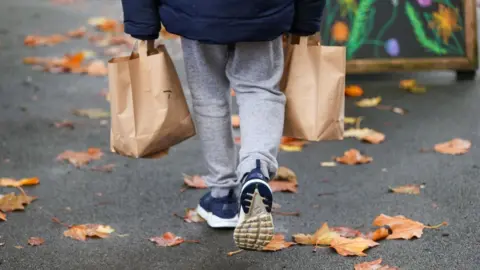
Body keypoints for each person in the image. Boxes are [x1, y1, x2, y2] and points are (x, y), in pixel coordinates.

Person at [121, 0, 325, 250]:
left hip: (197, 11)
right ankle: (256, 169)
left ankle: (222, 198)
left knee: (209, 98)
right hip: (262, 10)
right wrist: (306, 20)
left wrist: (142, 25)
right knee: (260, 89)